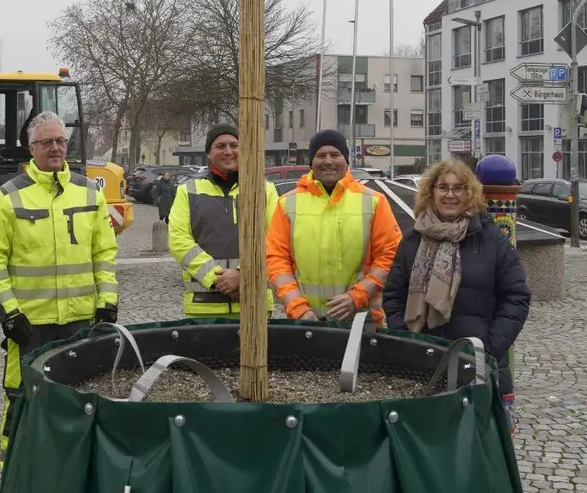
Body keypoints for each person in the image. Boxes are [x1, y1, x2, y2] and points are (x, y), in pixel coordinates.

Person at [0, 110, 118, 462]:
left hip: (80, 318)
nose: (55, 148)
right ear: (32, 148)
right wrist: (9, 315)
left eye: (60, 141)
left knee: (79, 395)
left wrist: (108, 302)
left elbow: (104, 252)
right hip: (30, 324)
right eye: (46, 142)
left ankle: (70, 467)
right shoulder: (8, 195)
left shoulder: (89, 191)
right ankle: (14, 475)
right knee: (21, 396)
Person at [381, 159, 531, 402]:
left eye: (458, 188)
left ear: (469, 194)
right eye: (443, 187)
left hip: (478, 364)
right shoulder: (412, 241)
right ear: (431, 192)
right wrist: (409, 341)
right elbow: (393, 296)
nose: (450, 195)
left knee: (478, 437)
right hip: (422, 365)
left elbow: (516, 297)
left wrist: (489, 348)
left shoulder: (492, 240)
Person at [266, 129, 402, 325]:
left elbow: (390, 255)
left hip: (360, 322)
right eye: (321, 155)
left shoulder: (374, 201)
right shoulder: (287, 203)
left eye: (335, 154)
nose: (328, 161)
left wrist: (358, 296)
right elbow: (276, 259)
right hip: (305, 323)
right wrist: (297, 307)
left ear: (346, 160)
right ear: (311, 162)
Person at [168, 124, 278, 318]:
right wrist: (217, 278)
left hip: (254, 306)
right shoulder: (188, 191)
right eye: (220, 146)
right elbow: (179, 241)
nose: (228, 151)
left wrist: (243, 275)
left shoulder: (264, 190)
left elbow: (275, 241)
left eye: (234, 145)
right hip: (203, 307)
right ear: (209, 154)